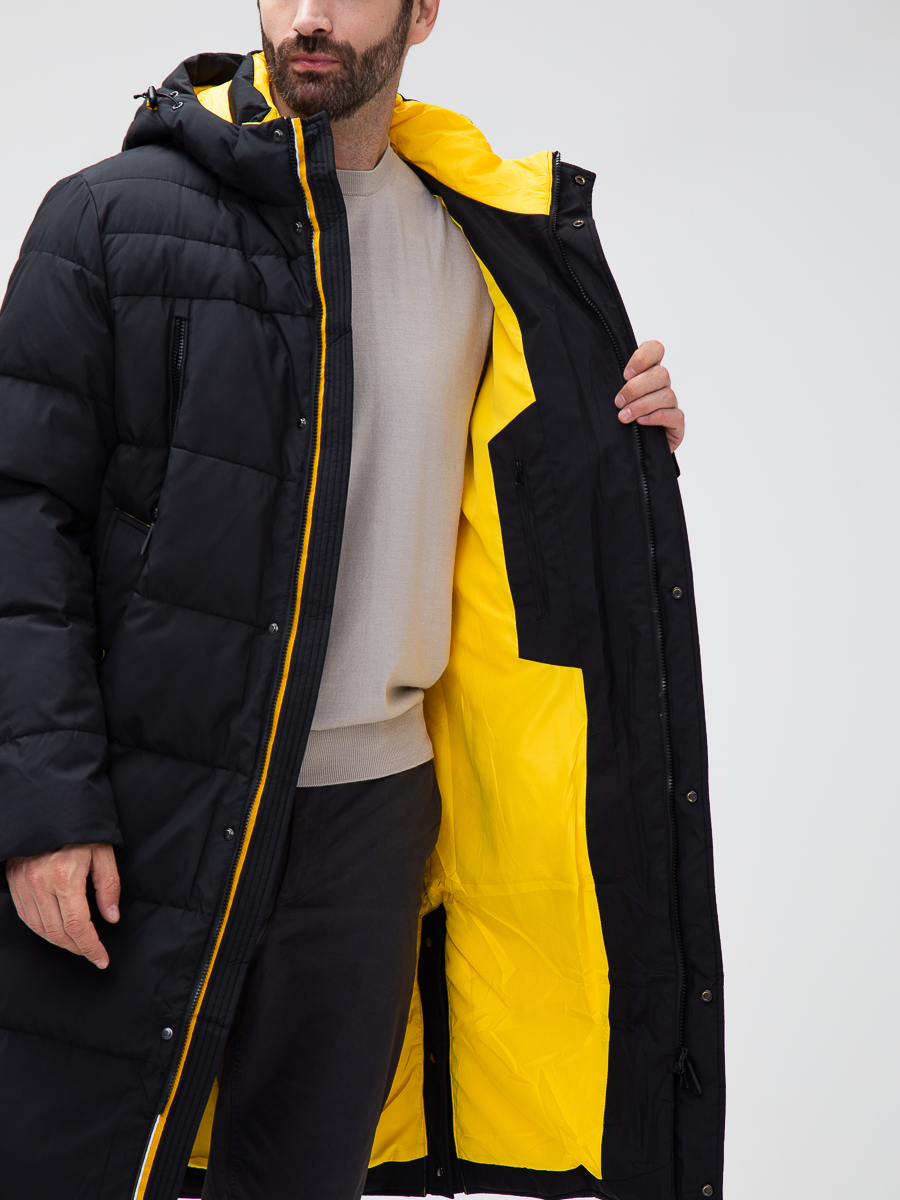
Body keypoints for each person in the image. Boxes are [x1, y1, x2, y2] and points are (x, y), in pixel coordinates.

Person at [0, 3, 723, 1200]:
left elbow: (526, 510)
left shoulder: (490, 246)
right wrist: (42, 808)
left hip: (375, 821)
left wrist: (629, 444)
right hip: (149, 806)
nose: (311, 15)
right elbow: (22, 513)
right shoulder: (107, 218)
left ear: (422, 12)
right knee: (84, 1164)